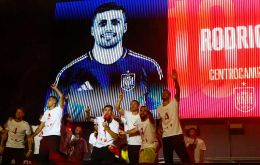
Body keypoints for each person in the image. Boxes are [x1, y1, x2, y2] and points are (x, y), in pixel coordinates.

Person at [53, 2, 164, 121]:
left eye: (115, 22)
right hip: (89, 130)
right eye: (102, 23)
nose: (109, 28)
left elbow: (158, 112)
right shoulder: (68, 72)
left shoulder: (149, 67)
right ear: (92, 30)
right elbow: (54, 112)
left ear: (124, 27)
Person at [157, 70, 190, 164]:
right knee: (168, 160)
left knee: (184, 158)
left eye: (166, 92)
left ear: (169, 95)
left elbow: (178, 91)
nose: (164, 93)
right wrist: (159, 126)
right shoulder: (159, 107)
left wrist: (175, 80)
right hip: (165, 137)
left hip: (176, 135)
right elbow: (161, 119)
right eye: (163, 92)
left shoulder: (174, 102)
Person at [28, 84, 64, 164]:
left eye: (50, 100)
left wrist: (55, 89)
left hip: (54, 137)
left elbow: (61, 96)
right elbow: (41, 126)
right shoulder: (46, 112)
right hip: (45, 138)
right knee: (42, 160)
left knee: (52, 160)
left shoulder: (59, 109)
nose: (48, 101)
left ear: (54, 102)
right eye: (48, 100)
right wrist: (32, 136)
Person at [115, 91, 142, 165]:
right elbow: (117, 108)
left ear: (138, 106)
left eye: (134, 104)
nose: (132, 105)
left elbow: (137, 130)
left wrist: (125, 132)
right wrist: (120, 98)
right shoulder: (127, 114)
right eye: (131, 104)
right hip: (130, 144)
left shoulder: (141, 116)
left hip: (141, 143)